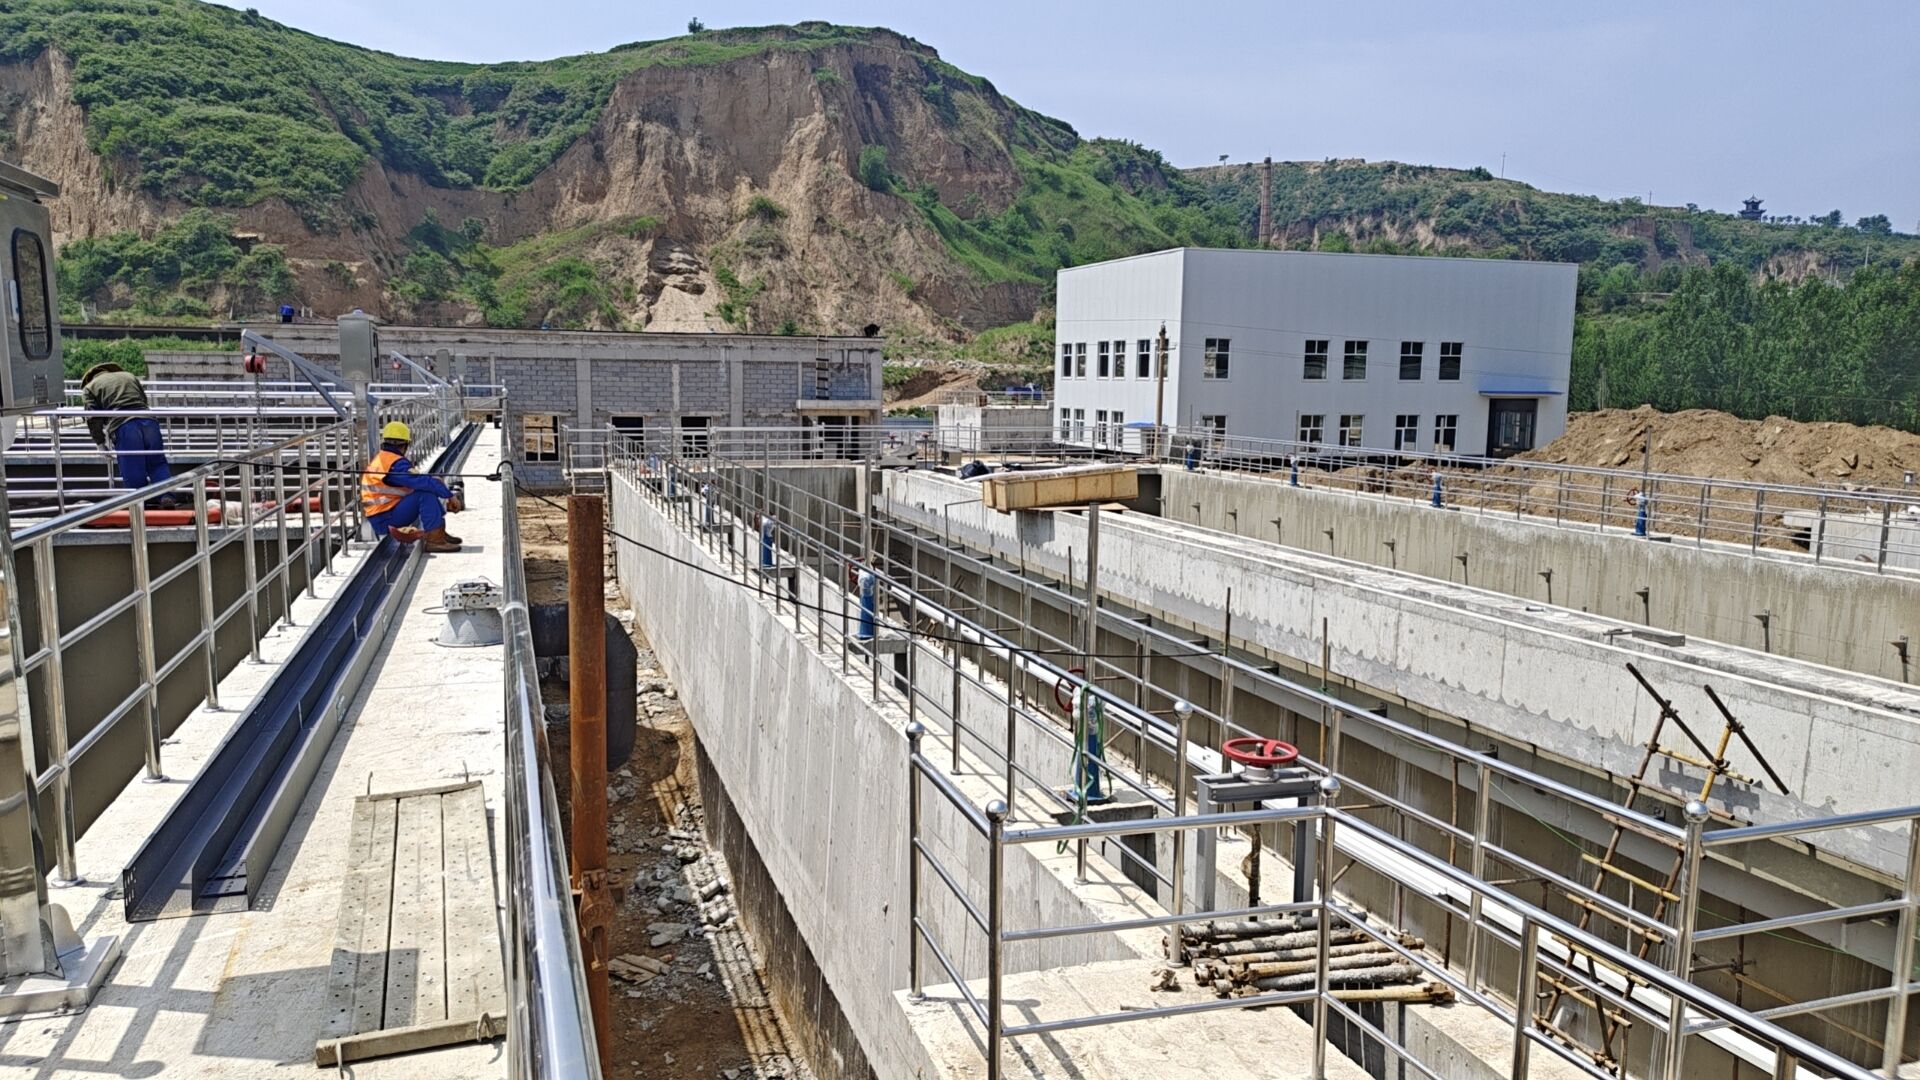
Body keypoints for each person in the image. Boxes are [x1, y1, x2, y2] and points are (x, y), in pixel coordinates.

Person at [81, 362, 181, 507]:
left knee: (132, 467)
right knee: (157, 463)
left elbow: (92, 417)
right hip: (149, 422)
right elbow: (143, 400)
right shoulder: (129, 376)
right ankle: (167, 496)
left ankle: (140, 503)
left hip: (124, 426)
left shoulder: (90, 387)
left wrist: (100, 443)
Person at [361, 421, 464, 552]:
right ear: (405, 445)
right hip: (386, 519)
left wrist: (437, 482)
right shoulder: (396, 464)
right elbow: (421, 482)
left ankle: (439, 532)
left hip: (383, 514)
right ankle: (435, 540)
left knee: (431, 485)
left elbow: (416, 481)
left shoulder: (384, 458)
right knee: (425, 495)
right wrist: (450, 496)